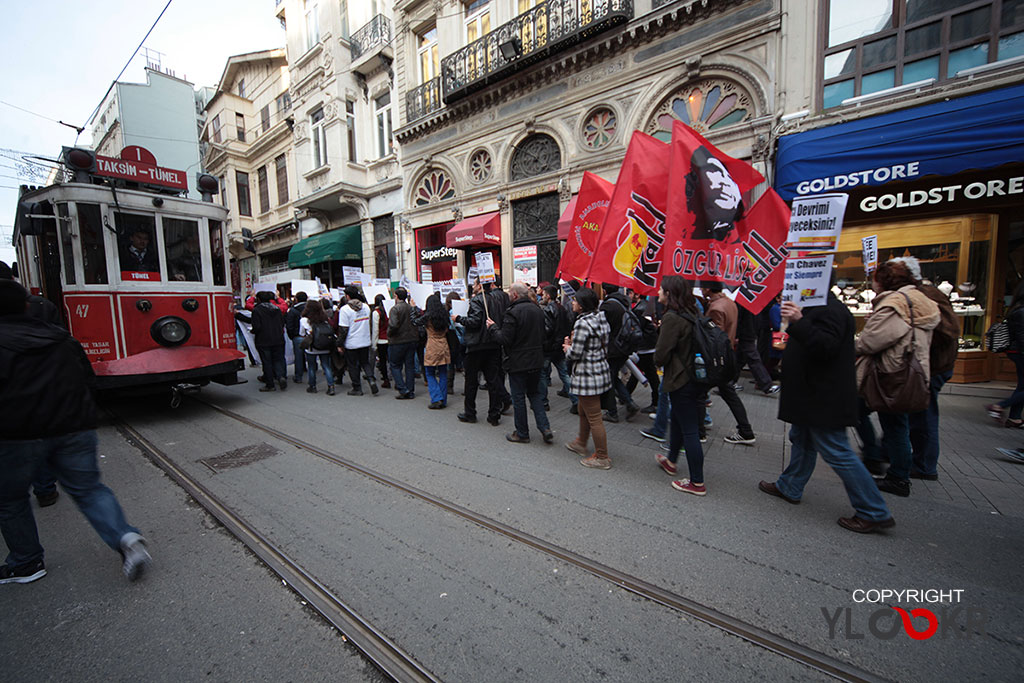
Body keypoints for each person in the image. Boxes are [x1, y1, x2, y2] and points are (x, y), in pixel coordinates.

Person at [0, 280, 152, 583]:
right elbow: (87, 379)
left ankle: (27, 562)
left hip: (18, 434)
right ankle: (127, 539)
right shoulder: (59, 337)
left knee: (9, 499)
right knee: (90, 490)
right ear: (26, 306)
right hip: (74, 428)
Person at [759, 290, 895, 533]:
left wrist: (799, 322)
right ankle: (790, 485)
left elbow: (825, 347)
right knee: (801, 439)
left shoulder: (830, 310)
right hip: (810, 395)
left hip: (822, 396)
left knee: (837, 450)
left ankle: (873, 510)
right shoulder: (819, 308)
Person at [857, 260, 940, 497]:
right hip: (912, 372)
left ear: (884, 281)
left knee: (865, 414)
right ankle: (895, 471)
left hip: (889, 374)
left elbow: (871, 341)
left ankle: (890, 470)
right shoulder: (922, 300)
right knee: (897, 425)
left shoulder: (895, 303)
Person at [0, 262, 61, 507]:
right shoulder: (42, 306)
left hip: (11, 409)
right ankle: (45, 488)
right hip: (44, 395)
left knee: (11, 501)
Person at [895, 257, 958, 481]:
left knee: (923, 415)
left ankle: (924, 464)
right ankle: (919, 460)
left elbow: (946, 332)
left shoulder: (924, 296)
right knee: (918, 414)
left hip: (930, 366)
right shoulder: (925, 294)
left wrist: (918, 343)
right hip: (930, 364)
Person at [653, 276, 706, 495]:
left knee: (690, 430)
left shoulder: (672, 318)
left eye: (661, 290)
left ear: (669, 294)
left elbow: (661, 354)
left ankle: (697, 482)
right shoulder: (692, 312)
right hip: (695, 376)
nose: (658, 293)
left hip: (681, 378)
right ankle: (671, 460)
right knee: (677, 419)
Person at [485, 282, 552, 444]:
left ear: (515, 295)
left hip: (518, 362)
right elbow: (544, 335)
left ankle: (522, 432)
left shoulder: (513, 313)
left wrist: (493, 328)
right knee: (535, 394)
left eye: (509, 293)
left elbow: (504, 339)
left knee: (519, 397)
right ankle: (545, 427)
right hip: (536, 360)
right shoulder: (537, 310)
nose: (508, 296)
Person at [563, 287, 613, 469]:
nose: (572, 302)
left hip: (588, 375)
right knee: (584, 410)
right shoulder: (600, 318)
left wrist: (568, 348)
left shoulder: (583, 323)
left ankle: (602, 456)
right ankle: (581, 443)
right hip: (599, 370)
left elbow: (575, 354)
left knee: (594, 416)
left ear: (583, 305)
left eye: (575, 300)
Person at [703, 281, 757, 445]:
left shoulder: (716, 308)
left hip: (717, 359)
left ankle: (698, 431)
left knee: (698, 393)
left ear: (707, 288)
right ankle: (746, 430)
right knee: (729, 394)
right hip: (727, 355)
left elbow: (714, 337)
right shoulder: (728, 302)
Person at [457, 282, 506, 425]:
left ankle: (470, 413)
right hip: (493, 344)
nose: (473, 285)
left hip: (477, 345)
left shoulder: (477, 300)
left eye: (475, 283)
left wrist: (459, 319)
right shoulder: (497, 300)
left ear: (480, 286)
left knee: (471, 381)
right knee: (493, 381)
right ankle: (494, 415)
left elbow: (475, 321)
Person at [599, 284, 641, 422]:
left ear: (604, 290)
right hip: (624, 345)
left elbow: (602, 329)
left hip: (613, 348)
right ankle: (628, 402)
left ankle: (613, 412)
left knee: (610, 379)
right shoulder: (624, 302)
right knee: (612, 376)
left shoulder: (608, 306)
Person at [987, 280, 1024, 427]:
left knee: (1022, 386)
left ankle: (1014, 418)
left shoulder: (1016, 309)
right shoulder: (1021, 312)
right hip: (1020, 351)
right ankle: (999, 405)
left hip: (1017, 351)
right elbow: (1022, 336)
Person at [540, 285, 575, 412]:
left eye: (544, 294)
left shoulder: (548, 309)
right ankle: (576, 399)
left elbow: (548, 329)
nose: (542, 296)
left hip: (549, 346)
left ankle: (543, 402)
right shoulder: (562, 308)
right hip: (560, 345)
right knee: (564, 373)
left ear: (548, 296)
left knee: (543, 375)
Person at [338, 285, 377, 396]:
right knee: (365, 362)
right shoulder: (365, 307)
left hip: (352, 343)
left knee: (353, 365)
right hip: (365, 340)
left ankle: (357, 388)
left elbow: (343, 330)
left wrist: (340, 344)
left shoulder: (345, 310)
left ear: (348, 296)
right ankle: (371, 380)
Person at [626, 291, 659, 414]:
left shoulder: (641, 309)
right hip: (646, 346)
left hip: (645, 347)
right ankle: (626, 395)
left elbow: (637, 329)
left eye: (630, 293)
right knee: (637, 372)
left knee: (650, 374)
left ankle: (656, 402)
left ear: (637, 295)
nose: (628, 296)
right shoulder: (644, 306)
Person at [735, 306, 778, 395]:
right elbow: (738, 319)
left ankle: (728, 383)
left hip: (748, 332)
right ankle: (766, 385)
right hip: (746, 333)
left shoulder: (749, 302)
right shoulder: (745, 302)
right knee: (753, 359)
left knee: (739, 359)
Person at [250, 290, 288, 392]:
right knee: (278, 360)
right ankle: (280, 376)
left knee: (267, 362)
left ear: (258, 299)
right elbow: (282, 323)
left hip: (264, 340)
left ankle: (270, 384)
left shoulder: (257, 310)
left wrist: (253, 331)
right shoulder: (277, 309)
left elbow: (256, 326)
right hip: (278, 338)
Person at [418, 294, 451, 409]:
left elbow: (415, 321)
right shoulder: (444, 315)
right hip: (444, 344)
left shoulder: (428, 317)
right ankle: (443, 399)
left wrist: (414, 308)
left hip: (432, 344)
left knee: (430, 373)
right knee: (443, 373)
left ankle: (437, 398)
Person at [388, 288, 419, 400]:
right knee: (409, 366)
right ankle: (410, 391)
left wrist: (389, 334)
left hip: (398, 340)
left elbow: (393, 325)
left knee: (395, 365)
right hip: (411, 340)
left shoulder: (395, 309)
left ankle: (403, 389)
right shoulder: (411, 308)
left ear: (396, 296)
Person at [301, 299, 335, 395]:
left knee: (311, 367)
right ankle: (331, 386)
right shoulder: (324, 318)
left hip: (312, 347)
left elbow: (301, 333)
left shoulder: (304, 320)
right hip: (325, 346)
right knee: (326, 366)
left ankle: (312, 386)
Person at [286, 292, 308, 384]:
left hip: (297, 336)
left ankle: (298, 377)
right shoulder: (311, 308)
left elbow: (289, 325)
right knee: (311, 355)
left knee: (298, 357)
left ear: (297, 299)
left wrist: (292, 336)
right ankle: (312, 373)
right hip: (309, 335)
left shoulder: (293, 310)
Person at [371, 293, 391, 389]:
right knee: (391, 360)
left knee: (382, 361)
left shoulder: (376, 313)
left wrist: (374, 344)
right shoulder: (389, 310)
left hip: (381, 340)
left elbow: (375, 330)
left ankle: (386, 379)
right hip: (390, 339)